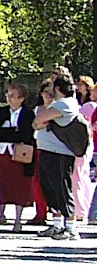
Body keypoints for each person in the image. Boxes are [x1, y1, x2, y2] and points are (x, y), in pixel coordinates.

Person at [32, 72, 85, 241]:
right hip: (48, 152)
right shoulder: (57, 104)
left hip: (60, 154)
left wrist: (40, 121)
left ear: (59, 88)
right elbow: (36, 123)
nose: (49, 90)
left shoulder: (65, 104)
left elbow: (38, 120)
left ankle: (71, 228)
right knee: (50, 189)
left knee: (62, 189)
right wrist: (40, 122)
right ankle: (57, 225)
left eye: (53, 86)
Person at [0, 82, 37, 232]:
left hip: (20, 155)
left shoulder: (28, 114)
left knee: (20, 185)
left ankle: (18, 219)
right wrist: (13, 132)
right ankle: (1, 214)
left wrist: (8, 132)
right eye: (8, 95)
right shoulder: (1, 112)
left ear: (21, 98)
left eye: (13, 95)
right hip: (2, 153)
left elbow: (25, 134)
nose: (9, 98)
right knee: (2, 184)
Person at [74, 74, 95, 227]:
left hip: (84, 142)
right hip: (87, 143)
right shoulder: (80, 101)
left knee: (79, 176)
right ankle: (85, 208)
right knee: (84, 176)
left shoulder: (90, 106)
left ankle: (82, 209)